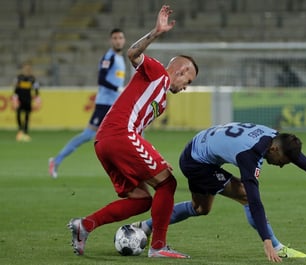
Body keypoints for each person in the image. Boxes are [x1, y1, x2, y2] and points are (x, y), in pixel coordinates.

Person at [67, 5, 199, 258]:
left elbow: (137, 130)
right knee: (168, 184)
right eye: (188, 81)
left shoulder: (161, 101)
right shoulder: (157, 72)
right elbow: (133, 52)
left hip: (106, 142)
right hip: (118, 135)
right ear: (181, 70)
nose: (186, 87)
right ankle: (158, 247)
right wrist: (156, 32)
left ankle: (84, 226)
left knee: (141, 199)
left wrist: (154, 158)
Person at [134, 122, 306, 262]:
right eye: (283, 161)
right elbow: (254, 199)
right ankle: (277, 246)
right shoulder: (249, 155)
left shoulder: (278, 139)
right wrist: (265, 240)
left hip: (199, 147)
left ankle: (144, 227)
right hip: (196, 162)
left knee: (201, 208)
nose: (284, 165)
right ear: (274, 149)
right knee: (245, 193)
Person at [48, 28, 126, 178]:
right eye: (115, 38)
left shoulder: (120, 58)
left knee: (126, 133)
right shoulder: (109, 57)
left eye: (120, 38)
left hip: (113, 104)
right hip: (104, 104)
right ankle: (56, 160)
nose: (118, 40)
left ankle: (129, 168)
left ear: (124, 40)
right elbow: (101, 80)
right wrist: (118, 88)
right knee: (88, 135)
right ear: (111, 41)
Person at [12, 61, 40, 142]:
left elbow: (36, 89)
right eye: (26, 68)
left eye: (29, 68)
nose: (27, 70)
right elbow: (15, 89)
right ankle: (20, 129)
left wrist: (37, 98)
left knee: (27, 115)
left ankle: (25, 131)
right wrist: (15, 98)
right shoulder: (19, 78)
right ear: (23, 69)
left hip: (28, 99)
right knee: (18, 114)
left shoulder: (32, 79)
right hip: (20, 99)